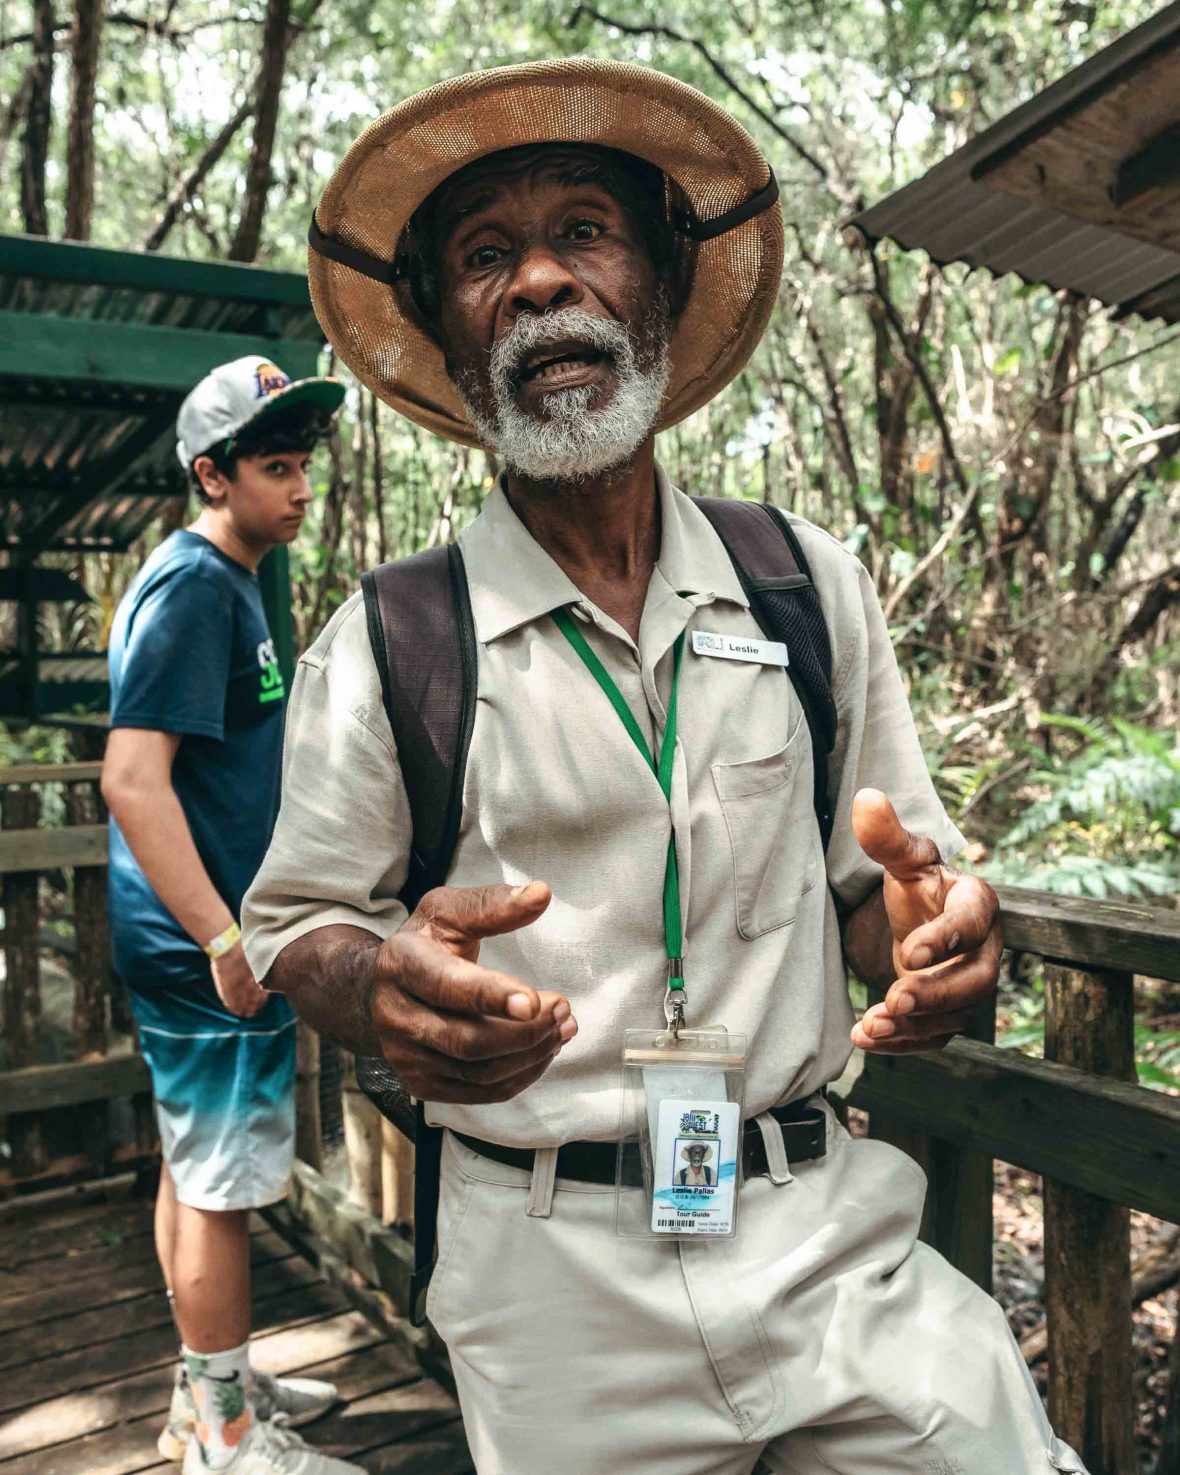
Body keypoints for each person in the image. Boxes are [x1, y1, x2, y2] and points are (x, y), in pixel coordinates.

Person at [241, 60, 1089, 1475]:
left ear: (658, 289)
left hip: (826, 1238)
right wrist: (377, 981)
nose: (537, 284)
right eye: (484, 256)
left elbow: (879, 891)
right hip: (548, 1268)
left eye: (586, 231)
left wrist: (934, 935)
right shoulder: (393, 638)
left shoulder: (805, 587)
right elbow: (293, 928)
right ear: (451, 338)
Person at [102, 357, 364, 1475]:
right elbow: (130, 778)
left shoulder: (233, 580)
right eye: (275, 468)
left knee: (191, 1167)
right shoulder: (197, 589)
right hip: (202, 943)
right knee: (220, 1189)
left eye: (305, 464)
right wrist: (223, 935)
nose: (300, 488)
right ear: (212, 474)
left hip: (197, 936)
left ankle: (206, 1383)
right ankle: (225, 1434)